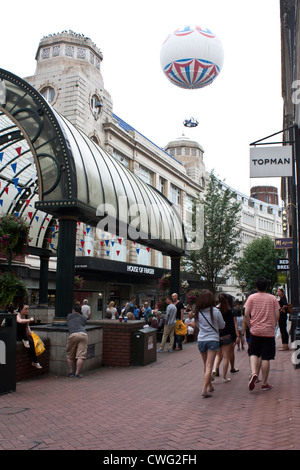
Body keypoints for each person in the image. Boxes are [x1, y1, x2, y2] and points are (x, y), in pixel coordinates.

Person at [244, 276, 280, 391]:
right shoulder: (273, 298)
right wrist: (273, 325)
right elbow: (277, 314)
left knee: (253, 353)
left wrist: (250, 326)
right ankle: (264, 383)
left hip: (255, 331)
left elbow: (246, 314)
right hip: (268, 332)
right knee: (266, 357)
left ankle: (254, 372)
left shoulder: (251, 298)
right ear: (266, 286)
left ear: (256, 286)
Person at [196, 290, 225, 398]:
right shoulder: (215, 311)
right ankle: (204, 389)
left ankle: (210, 385)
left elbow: (198, 326)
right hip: (212, 339)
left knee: (205, 365)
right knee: (209, 365)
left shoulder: (199, 312)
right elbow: (221, 325)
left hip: (201, 340)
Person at [212, 293, 237, 383]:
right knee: (226, 357)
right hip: (227, 336)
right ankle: (224, 377)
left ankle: (214, 369)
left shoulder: (215, 310)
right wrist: (234, 338)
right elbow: (231, 326)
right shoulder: (228, 310)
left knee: (218, 355)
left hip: (218, 335)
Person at [16, 303, 42, 369]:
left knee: (32, 342)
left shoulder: (26, 316)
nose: (27, 311)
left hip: (24, 334)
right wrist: (30, 320)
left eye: (28, 309)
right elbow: (20, 321)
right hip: (17, 335)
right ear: (21, 309)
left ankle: (35, 361)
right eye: (26, 309)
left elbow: (27, 327)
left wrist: (30, 332)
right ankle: (24, 339)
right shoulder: (16, 315)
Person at [66, 304, 88, 378]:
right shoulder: (84, 318)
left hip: (73, 334)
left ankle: (70, 372)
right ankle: (77, 374)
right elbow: (83, 323)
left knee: (70, 355)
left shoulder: (69, 316)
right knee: (81, 355)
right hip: (83, 334)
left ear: (73, 310)